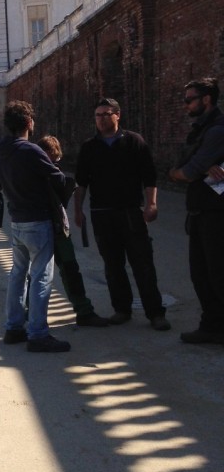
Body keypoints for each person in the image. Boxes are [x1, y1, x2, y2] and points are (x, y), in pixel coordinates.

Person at [73, 97, 170, 331]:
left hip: (130, 212)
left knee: (142, 263)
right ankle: (122, 309)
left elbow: (149, 176)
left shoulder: (134, 141)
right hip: (101, 214)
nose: (102, 119)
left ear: (118, 115)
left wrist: (152, 204)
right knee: (113, 265)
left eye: (107, 114)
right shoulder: (89, 147)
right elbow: (81, 182)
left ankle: (155, 312)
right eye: (98, 115)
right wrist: (78, 210)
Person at [0, 100, 70, 352]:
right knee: (41, 277)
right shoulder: (31, 150)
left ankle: (14, 327)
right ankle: (38, 333)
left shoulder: (2, 150)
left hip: (16, 220)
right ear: (29, 123)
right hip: (37, 220)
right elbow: (58, 178)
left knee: (18, 275)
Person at [169, 77, 224, 345]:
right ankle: (212, 325)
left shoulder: (216, 130)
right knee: (201, 274)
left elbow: (186, 171)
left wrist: (190, 170)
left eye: (189, 99)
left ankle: (215, 325)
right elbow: (176, 167)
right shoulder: (200, 129)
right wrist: (191, 170)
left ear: (207, 99)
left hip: (216, 214)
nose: (185, 104)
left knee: (216, 275)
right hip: (201, 210)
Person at [37, 135, 110, 327]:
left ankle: (83, 311)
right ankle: (31, 316)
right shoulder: (37, 173)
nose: (54, 162)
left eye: (55, 159)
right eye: (51, 158)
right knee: (41, 273)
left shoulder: (51, 172)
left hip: (57, 228)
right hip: (45, 228)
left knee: (68, 270)